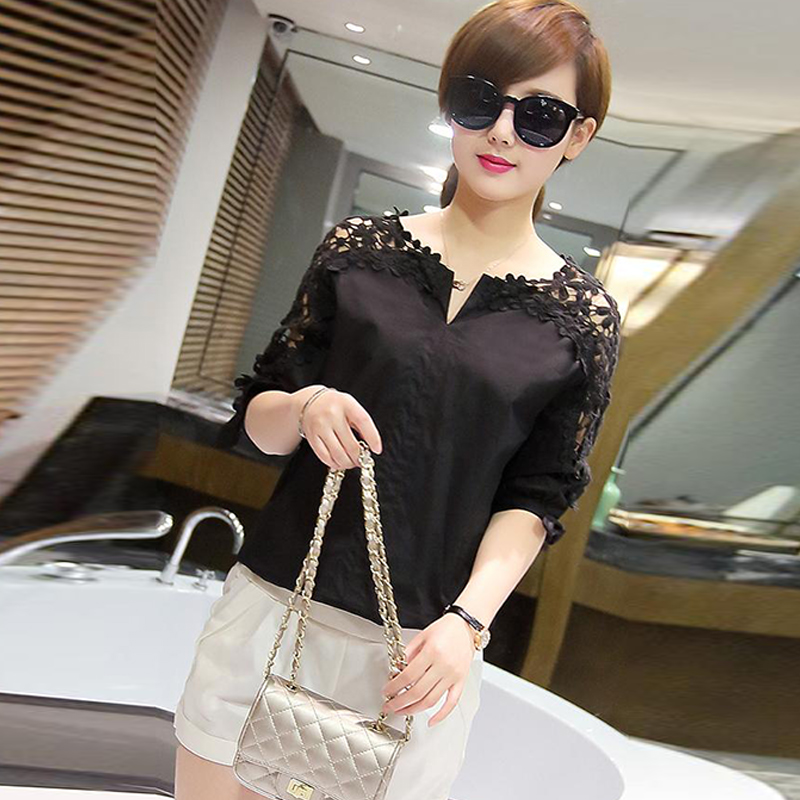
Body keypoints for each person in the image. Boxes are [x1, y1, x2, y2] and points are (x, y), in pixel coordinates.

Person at [173, 1, 621, 798]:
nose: (503, 132)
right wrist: (304, 405)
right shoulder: (358, 251)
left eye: (540, 115)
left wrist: (469, 623)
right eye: (481, 101)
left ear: (579, 136)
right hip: (274, 603)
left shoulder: (580, 318)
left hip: (421, 652)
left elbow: (537, 497)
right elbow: (261, 420)